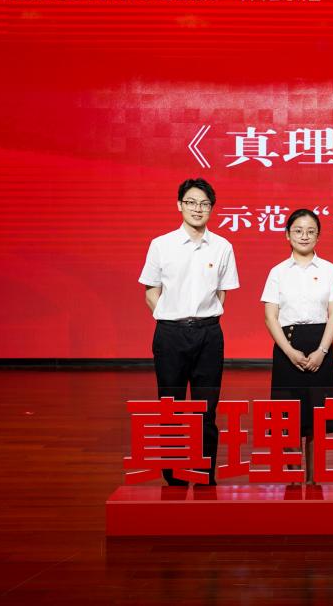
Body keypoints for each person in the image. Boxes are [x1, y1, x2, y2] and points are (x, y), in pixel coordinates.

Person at [138, 178, 239, 485]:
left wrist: (202, 319)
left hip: (209, 335)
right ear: (179, 205)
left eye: (204, 204)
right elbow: (151, 290)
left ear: (212, 208)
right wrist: (170, 317)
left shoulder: (222, 247)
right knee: (170, 406)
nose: (198, 209)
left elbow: (222, 293)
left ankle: (205, 473)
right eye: (191, 202)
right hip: (170, 334)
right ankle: (174, 476)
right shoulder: (161, 245)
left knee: (206, 409)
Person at [261, 209, 333, 483]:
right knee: (288, 420)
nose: (304, 236)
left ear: (318, 236)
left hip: (321, 346)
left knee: (317, 420)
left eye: (310, 231)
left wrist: (322, 351)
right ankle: (296, 478)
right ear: (288, 235)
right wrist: (288, 351)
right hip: (288, 346)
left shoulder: (330, 270)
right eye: (298, 230)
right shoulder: (277, 272)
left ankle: (313, 480)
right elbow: (270, 316)